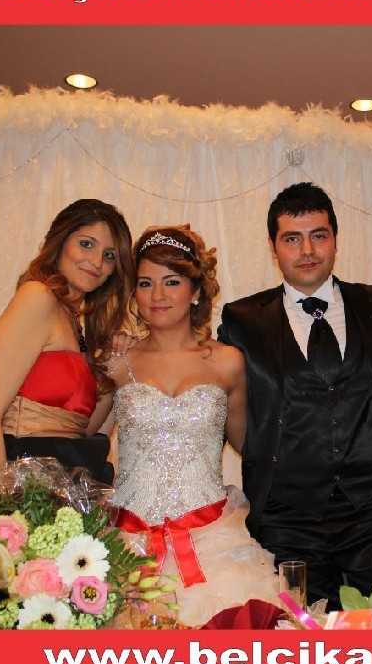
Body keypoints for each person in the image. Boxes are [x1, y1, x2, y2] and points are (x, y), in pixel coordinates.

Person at [218, 182, 372, 609]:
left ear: (335, 241)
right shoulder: (242, 321)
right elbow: (212, 394)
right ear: (273, 248)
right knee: (301, 637)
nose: (307, 250)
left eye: (318, 235)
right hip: (287, 520)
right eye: (292, 238)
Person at [106, 226, 279, 627]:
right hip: (130, 542)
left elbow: (251, 446)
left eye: (172, 282)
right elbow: (80, 435)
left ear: (196, 290)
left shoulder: (228, 361)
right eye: (145, 283)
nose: (158, 295)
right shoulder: (116, 362)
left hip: (214, 539)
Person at [0, 199, 134, 483]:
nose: (96, 262)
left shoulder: (76, 325)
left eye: (109, 256)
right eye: (86, 244)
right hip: (21, 481)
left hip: (61, 483)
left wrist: (114, 367)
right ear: (60, 241)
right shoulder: (37, 297)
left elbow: (80, 431)